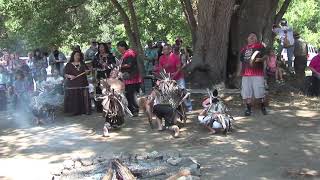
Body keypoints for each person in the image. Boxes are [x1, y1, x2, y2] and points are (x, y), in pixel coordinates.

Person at [239, 32, 268, 116]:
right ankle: (248, 109)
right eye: (250, 36)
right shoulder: (243, 49)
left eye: (254, 36)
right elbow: (241, 62)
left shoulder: (260, 46)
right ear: (247, 39)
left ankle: (263, 107)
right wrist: (239, 72)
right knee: (246, 92)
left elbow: (266, 56)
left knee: (260, 91)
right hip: (246, 74)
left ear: (256, 39)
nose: (252, 37)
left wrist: (261, 59)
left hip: (257, 73)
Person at [159, 44, 192, 111]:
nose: (164, 51)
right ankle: (174, 107)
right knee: (169, 92)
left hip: (178, 77)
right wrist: (165, 76)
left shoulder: (175, 57)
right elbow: (161, 69)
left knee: (183, 91)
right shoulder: (161, 58)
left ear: (170, 50)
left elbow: (179, 68)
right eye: (163, 49)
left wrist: (173, 75)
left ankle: (189, 107)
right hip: (168, 78)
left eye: (166, 49)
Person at [117, 41, 142, 116]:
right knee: (129, 94)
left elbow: (129, 64)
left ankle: (135, 110)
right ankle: (132, 110)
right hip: (128, 78)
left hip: (132, 78)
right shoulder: (125, 54)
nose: (118, 49)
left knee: (131, 94)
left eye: (119, 47)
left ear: (123, 46)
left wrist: (120, 66)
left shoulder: (129, 53)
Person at [64, 51, 91, 115]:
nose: (77, 57)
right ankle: (74, 111)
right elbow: (65, 74)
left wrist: (87, 72)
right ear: (73, 56)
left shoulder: (82, 64)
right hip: (72, 85)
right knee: (74, 98)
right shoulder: (69, 65)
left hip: (82, 83)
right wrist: (70, 76)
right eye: (76, 55)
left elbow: (88, 72)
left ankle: (83, 111)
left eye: (78, 55)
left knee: (82, 98)